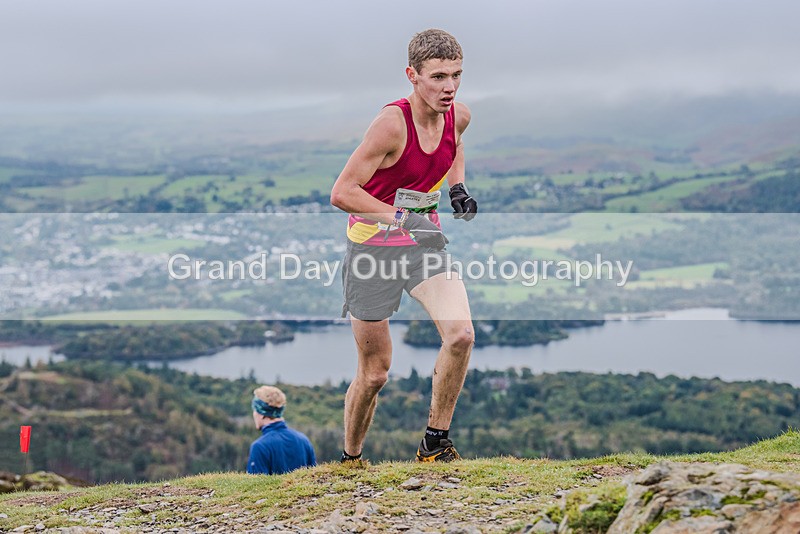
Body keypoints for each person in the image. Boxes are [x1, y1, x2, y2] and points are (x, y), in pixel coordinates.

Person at [330, 29, 477, 463]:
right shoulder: (391, 126)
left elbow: (456, 147)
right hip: (371, 251)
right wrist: (405, 219)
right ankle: (351, 459)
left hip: (422, 244)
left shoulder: (458, 114)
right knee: (375, 374)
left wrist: (458, 188)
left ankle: (435, 442)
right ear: (412, 76)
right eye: (437, 77)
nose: (449, 87)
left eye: (456, 75)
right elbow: (342, 192)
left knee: (461, 335)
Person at [247, 385, 316, 475]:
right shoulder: (304, 440)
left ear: (261, 413)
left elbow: (254, 487)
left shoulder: (260, 447)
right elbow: (314, 480)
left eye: (254, 410)